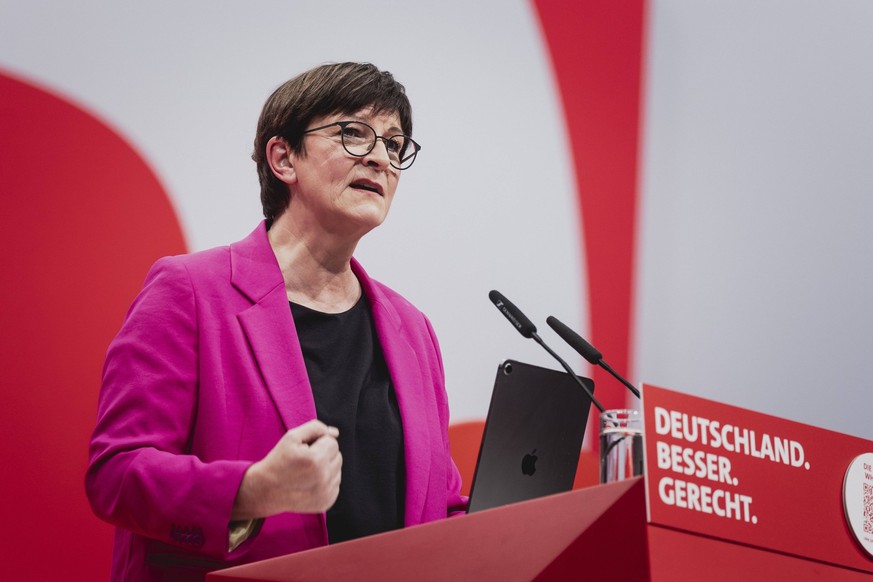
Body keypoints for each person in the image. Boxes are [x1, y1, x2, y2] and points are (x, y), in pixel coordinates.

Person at [86, 62, 467, 581]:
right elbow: (117, 475)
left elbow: (436, 508)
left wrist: (529, 520)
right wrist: (253, 490)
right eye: (354, 134)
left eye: (395, 144)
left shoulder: (412, 329)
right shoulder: (190, 290)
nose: (381, 157)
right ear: (284, 157)